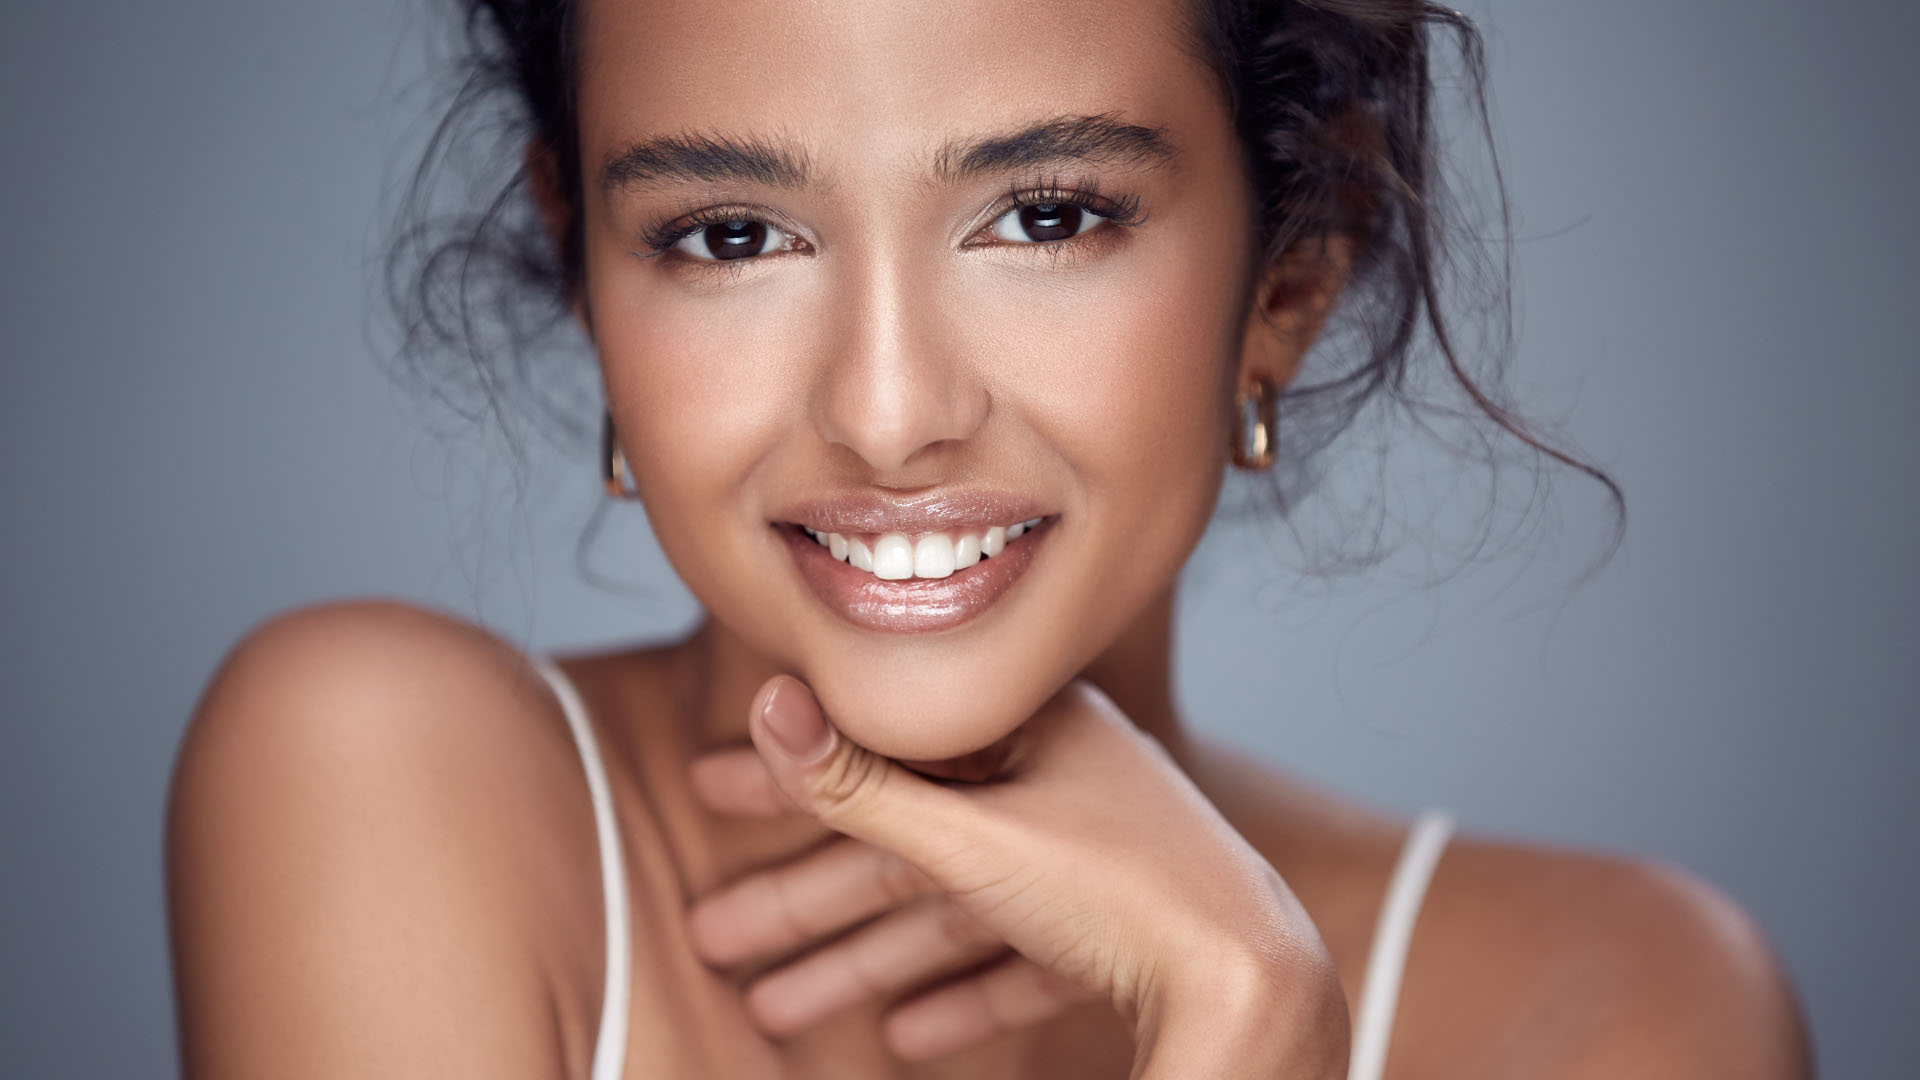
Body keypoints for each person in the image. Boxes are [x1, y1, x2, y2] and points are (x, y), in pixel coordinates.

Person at [163, 0, 1813, 1076]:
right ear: (588, 269)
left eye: (1048, 215)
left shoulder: (1615, 1013)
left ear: (1291, 276)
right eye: (730, 235)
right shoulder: (381, 781)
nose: (887, 413)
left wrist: (1253, 1011)